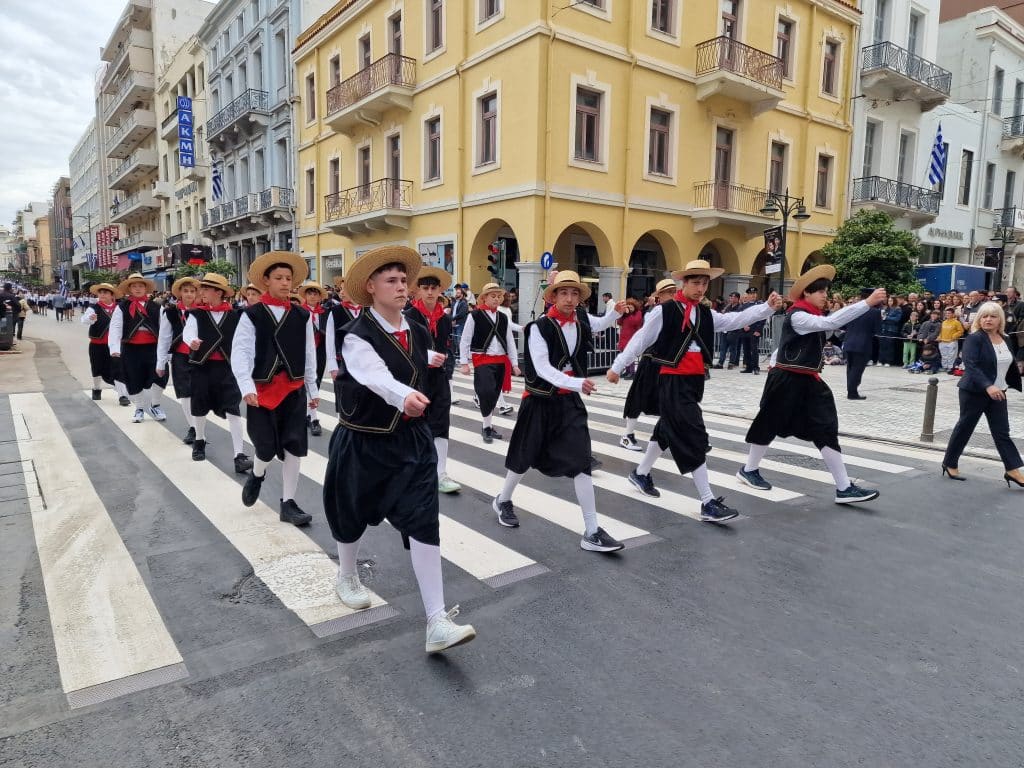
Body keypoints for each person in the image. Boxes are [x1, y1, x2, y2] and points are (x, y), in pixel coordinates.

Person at [325, 245, 477, 654]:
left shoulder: (416, 327)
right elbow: (373, 374)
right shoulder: (356, 336)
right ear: (371, 288)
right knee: (351, 513)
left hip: (411, 442)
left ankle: (437, 620)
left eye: (403, 280)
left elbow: (410, 355)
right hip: (364, 440)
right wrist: (405, 395)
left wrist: (431, 357)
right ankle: (347, 573)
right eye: (391, 281)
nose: (401, 287)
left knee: (425, 521)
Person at [607, 259, 783, 521]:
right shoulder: (663, 311)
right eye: (695, 283)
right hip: (671, 381)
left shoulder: (705, 313)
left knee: (666, 429)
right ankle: (707, 501)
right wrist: (617, 366)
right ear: (684, 283)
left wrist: (765, 309)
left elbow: (734, 319)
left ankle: (640, 474)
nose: (700, 288)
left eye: (704, 283)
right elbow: (640, 340)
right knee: (694, 437)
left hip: (693, 382)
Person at [493, 270, 623, 551]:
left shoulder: (581, 322)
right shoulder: (538, 328)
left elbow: (599, 324)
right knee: (523, 457)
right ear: (552, 297)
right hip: (540, 401)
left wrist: (615, 314)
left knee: (581, 462)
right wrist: (575, 382)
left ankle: (592, 530)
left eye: (575, 293)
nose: (569, 298)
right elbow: (541, 368)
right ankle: (503, 499)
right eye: (563, 292)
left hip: (569, 404)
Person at [737, 266, 885, 504]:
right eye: (819, 291)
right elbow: (832, 322)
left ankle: (844, 487)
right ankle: (749, 469)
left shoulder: (810, 316)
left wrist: (775, 360)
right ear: (806, 293)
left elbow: (793, 342)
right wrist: (866, 302)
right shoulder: (798, 315)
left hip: (808, 380)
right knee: (768, 423)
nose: (825, 295)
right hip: (786, 380)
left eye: (826, 291)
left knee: (826, 428)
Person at [231, 252, 319, 527]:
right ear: (266, 281)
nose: (284, 283)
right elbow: (241, 352)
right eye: (278, 278)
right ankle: (257, 474)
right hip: (262, 392)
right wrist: (246, 386)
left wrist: (312, 390)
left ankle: (288, 502)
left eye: (288, 278)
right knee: (265, 447)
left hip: (293, 390)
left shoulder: (303, 316)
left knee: (294, 446)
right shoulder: (252, 315)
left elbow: (308, 354)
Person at [941, 302, 1024, 487]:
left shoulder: (1005, 338)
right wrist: (988, 386)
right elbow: (971, 365)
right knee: (965, 427)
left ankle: (1012, 470)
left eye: (993, 316)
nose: (988, 319)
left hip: (999, 392)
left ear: (999, 320)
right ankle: (949, 462)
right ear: (979, 318)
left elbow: (1008, 362)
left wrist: (1006, 383)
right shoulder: (975, 338)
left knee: (1002, 432)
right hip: (975, 391)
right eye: (984, 316)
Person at [183, 273, 253, 474]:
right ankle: (199, 440)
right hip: (201, 367)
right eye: (201, 288)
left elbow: (244, 341)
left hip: (227, 368)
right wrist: (192, 341)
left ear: (219, 292)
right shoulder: (197, 314)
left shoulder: (235, 315)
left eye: (206, 288)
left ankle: (239, 455)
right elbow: (188, 332)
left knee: (233, 409)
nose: (201, 292)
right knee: (200, 406)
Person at [405, 266, 461, 494]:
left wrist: (448, 366)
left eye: (433, 288)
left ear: (439, 290)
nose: (429, 292)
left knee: (441, 424)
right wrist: (426, 356)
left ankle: (441, 473)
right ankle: (414, 469)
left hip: (438, 378)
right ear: (417, 290)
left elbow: (448, 345)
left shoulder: (445, 319)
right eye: (425, 288)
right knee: (414, 424)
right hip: (416, 377)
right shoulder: (408, 316)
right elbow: (404, 347)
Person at [458, 283, 519, 443]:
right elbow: (465, 339)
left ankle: (488, 426)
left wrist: (514, 363)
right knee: (486, 391)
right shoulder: (475, 316)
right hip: (482, 359)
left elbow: (510, 341)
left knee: (494, 394)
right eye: (493, 296)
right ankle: (486, 427)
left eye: (499, 296)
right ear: (484, 298)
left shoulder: (503, 317)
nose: (497, 299)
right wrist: (464, 362)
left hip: (500, 360)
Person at [619, 279, 677, 451]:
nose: (673, 295)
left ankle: (689, 437)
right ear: (660, 295)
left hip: (668, 362)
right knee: (638, 397)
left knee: (674, 400)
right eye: (669, 292)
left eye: (674, 291)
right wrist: (622, 362)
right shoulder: (657, 311)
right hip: (651, 360)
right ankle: (627, 435)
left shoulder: (677, 311)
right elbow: (642, 338)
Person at [108, 273, 168, 423]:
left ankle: (156, 405)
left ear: (146, 288)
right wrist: (114, 348)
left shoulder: (156, 307)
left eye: (140, 286)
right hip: (131, 349)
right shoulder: (122, 307)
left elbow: (165, 329)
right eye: (134, 286)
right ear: (129, 289)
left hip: (153, 348)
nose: (138, 288)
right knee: (134, 378)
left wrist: (167, 350)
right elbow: (115, 328)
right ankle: (139, 408)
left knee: (160, 377)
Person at [156, 277, 200, 444]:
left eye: (192, 291)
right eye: (186, 291)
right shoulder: (170, 312)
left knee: (199, 391)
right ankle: (194, 427)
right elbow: (164, 338)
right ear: (179, 293)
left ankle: (198, 424)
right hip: (180, 357)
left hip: (200, 357)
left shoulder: (202, 312)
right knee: (185, 393)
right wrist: (160, 363)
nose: (189, 294)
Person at [81, 283, 129, 403]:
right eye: (100, 292)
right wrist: (90, 319)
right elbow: (84, 320)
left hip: (115, 346)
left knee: (118, 368)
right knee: (96, 368)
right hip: (97, 344)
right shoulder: (93, 308)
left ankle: (122, 395)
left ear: (112, 295)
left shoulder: (119, 308)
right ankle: (96, 389)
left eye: (105, 292)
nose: (102, 295)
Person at [299, 281, 330, 436]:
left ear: (319, 297)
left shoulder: (325, 313)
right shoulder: (298, 311)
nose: (312, 296)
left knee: (315, 382)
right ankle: (312, 418)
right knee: (303, 382)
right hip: (302, 351)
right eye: (310, 293)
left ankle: (311, 415)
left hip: (320, 350)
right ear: (305, 295)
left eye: (315, 293)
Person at [841, 288, 882, 400]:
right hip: (863, 344)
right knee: (857, 369)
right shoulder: (875, 312)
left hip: (848, 342)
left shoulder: (851, 308)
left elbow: (842, 325)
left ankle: (850, 390)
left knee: (850, 368)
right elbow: (878, 330)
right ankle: (852, 393)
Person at [711, 291, 742, 369]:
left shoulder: (740, 307)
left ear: (738, 299)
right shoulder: (728, 306)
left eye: (733, 297)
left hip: (733, 330)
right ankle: (720, 363)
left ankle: (731, 363)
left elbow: (736, 317)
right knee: (723, 347)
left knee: (732, 348)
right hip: (725, 329)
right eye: (730, 297)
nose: (731, 299)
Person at [738, 287, 764, 374]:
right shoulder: (744, 306)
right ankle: (748, 367)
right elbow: (740, 317)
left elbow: (762, 319)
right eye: (751, 294)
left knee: (754, 350)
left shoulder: (759, 305)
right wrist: (743, 326)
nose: (753, 295)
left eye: (754, 294)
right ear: (748, 295)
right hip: (745, 331)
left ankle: (756, 367)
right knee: (746, 349)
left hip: (754, 330)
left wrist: (758, 330)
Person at [938, 306, 965, 372]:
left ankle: (951, 367)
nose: (947, 315)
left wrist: (954, 336)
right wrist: (939, 337)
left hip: (952, 342)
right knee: (944, 355)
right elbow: (941, 331)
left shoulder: (956, 322)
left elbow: (961, 331)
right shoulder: (944, 322)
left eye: (949, 313)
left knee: (951, 356)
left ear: (953, 314)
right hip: (943, 341)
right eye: (946, 313)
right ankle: (944, 367)